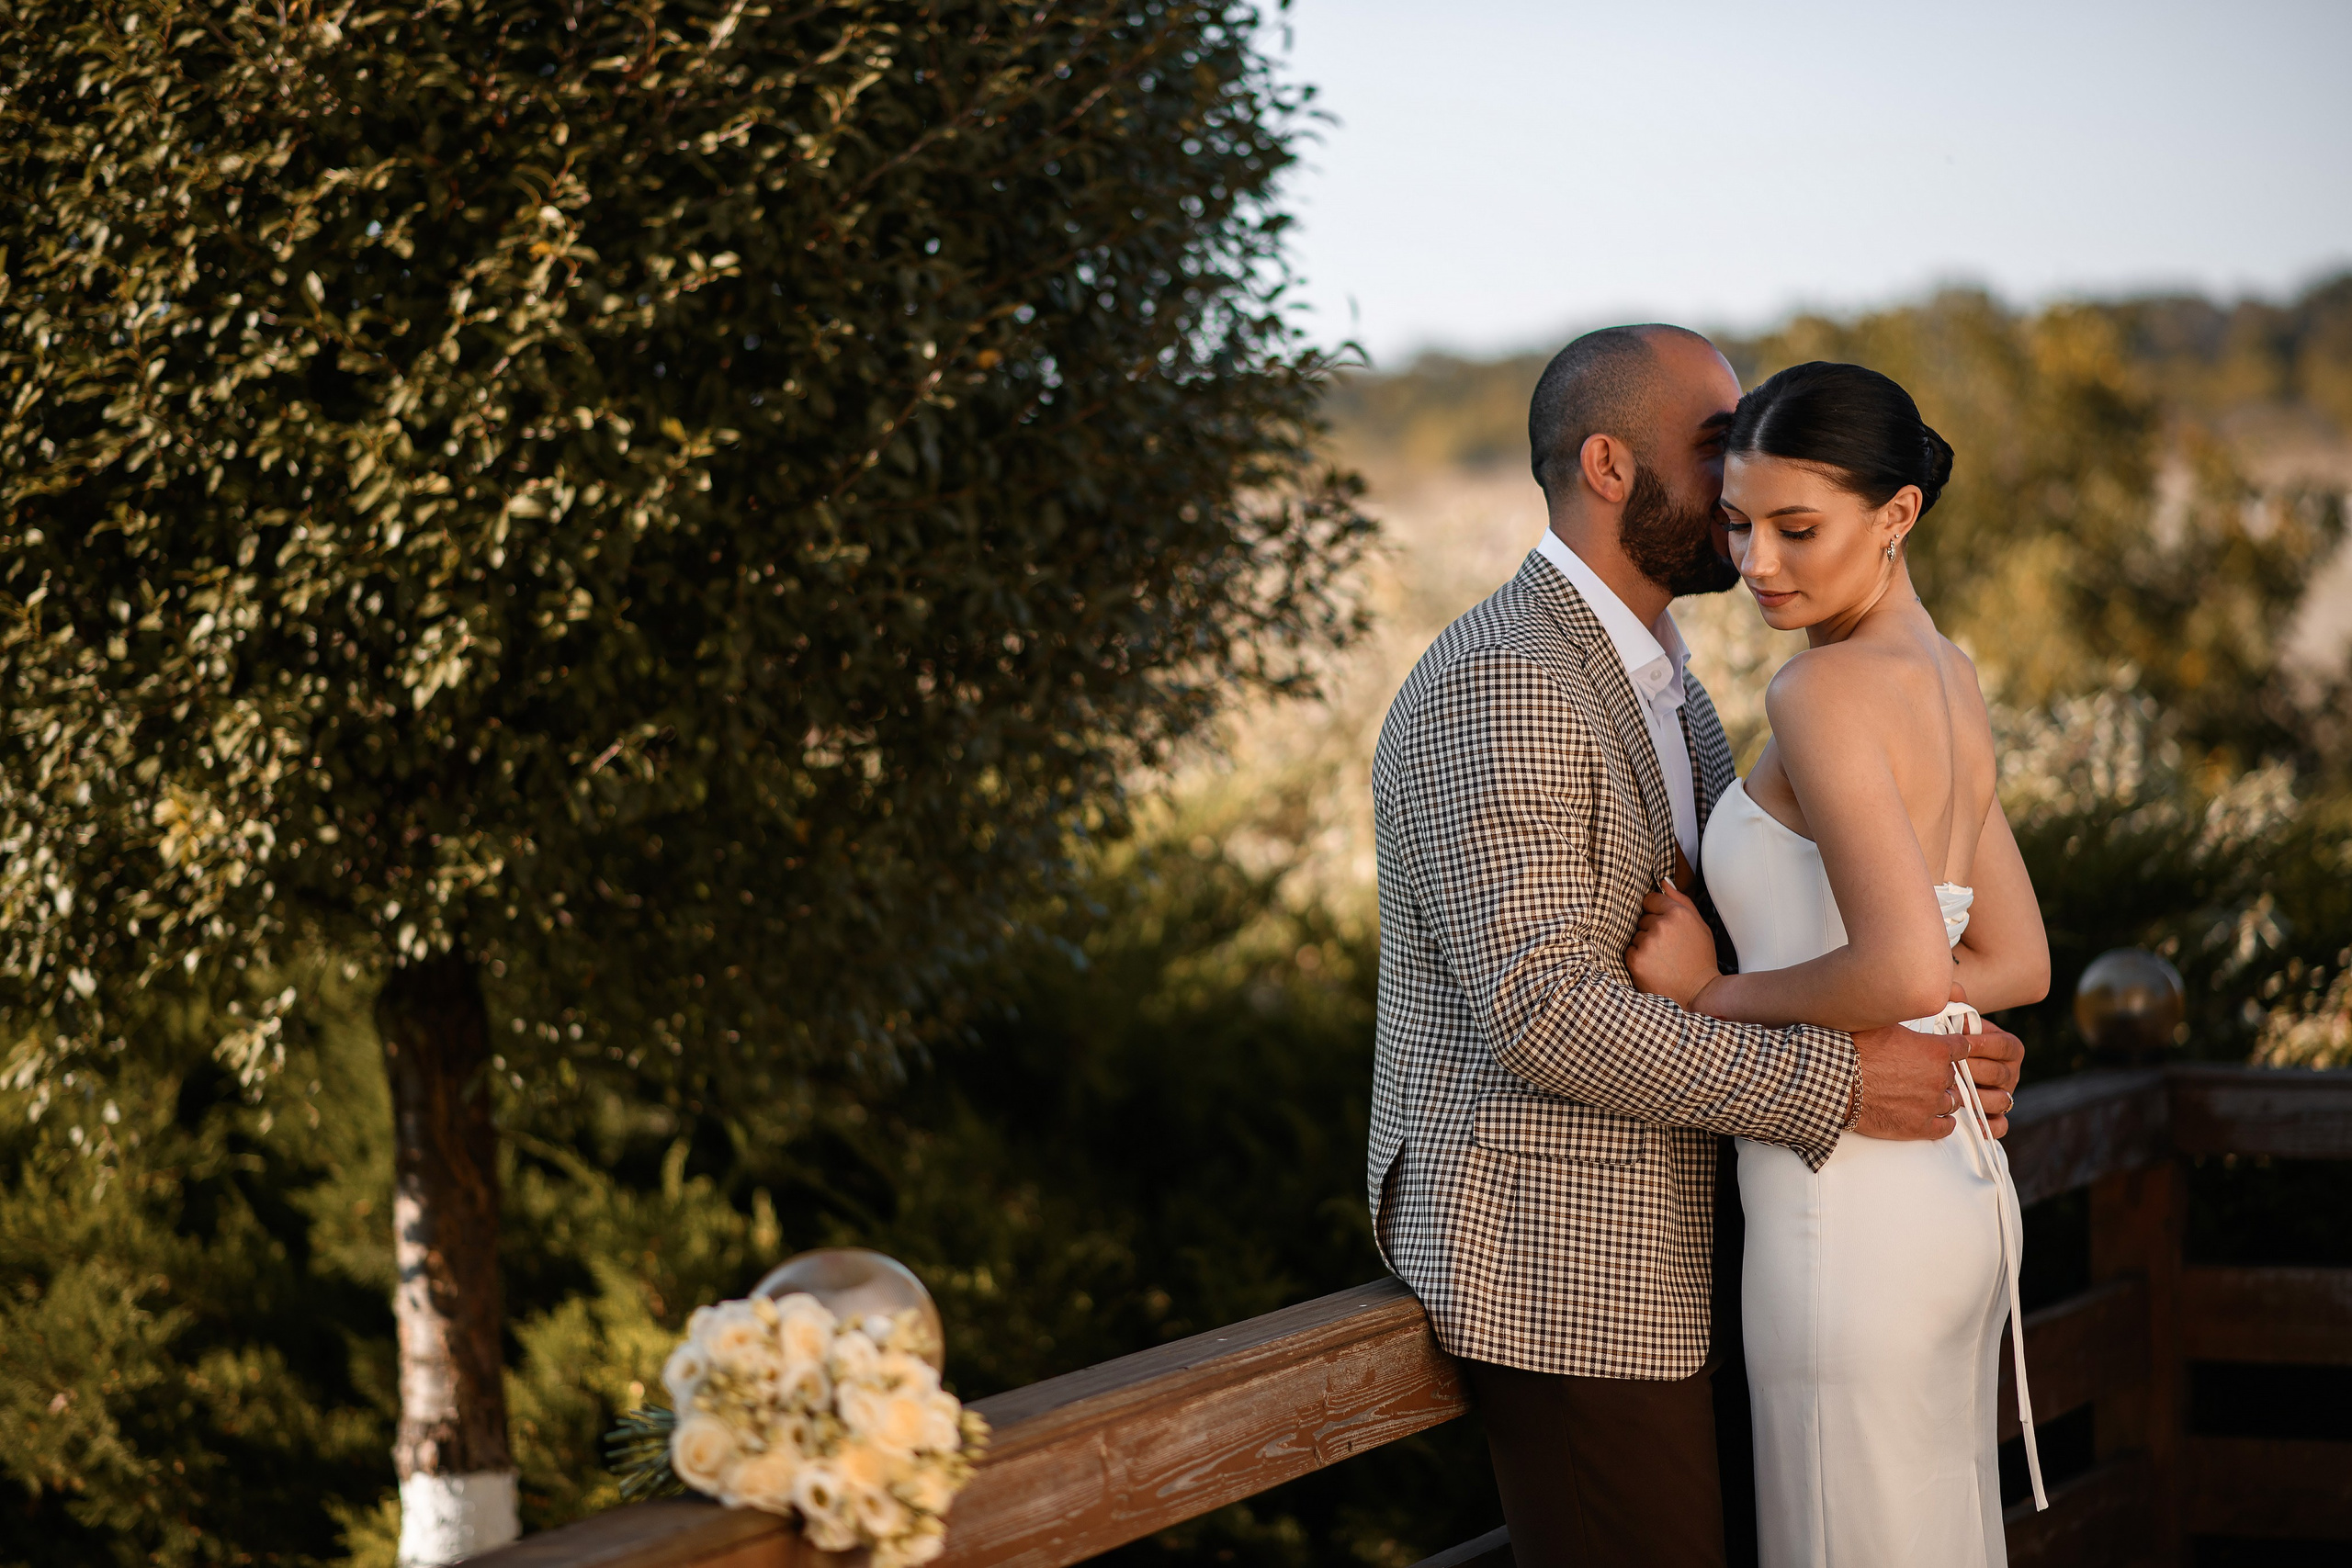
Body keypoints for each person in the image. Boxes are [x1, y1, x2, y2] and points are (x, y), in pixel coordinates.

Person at [1366, 325, 2026, 1568]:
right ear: (1611, 466)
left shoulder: (1666, 676)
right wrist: (1850, 1083)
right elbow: (1547, 1014)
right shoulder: (1506, 679)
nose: (1743, 489)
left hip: (1719, 1250)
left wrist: (1932, 1039)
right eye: (1719, 446)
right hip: (1571, 1270)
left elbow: (1818, 937)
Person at [1626, 360, 2052, 1564]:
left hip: (1850, 1211)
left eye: (1797, 529)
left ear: (1897, 515)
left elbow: (1910, 967)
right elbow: (2012, 959)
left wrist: (1713, 996)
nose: (1758, 563)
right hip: (1958, 1202)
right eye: (1739, 523)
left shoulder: (1821, 690)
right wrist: (1930, 1028)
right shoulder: (1950, 679)